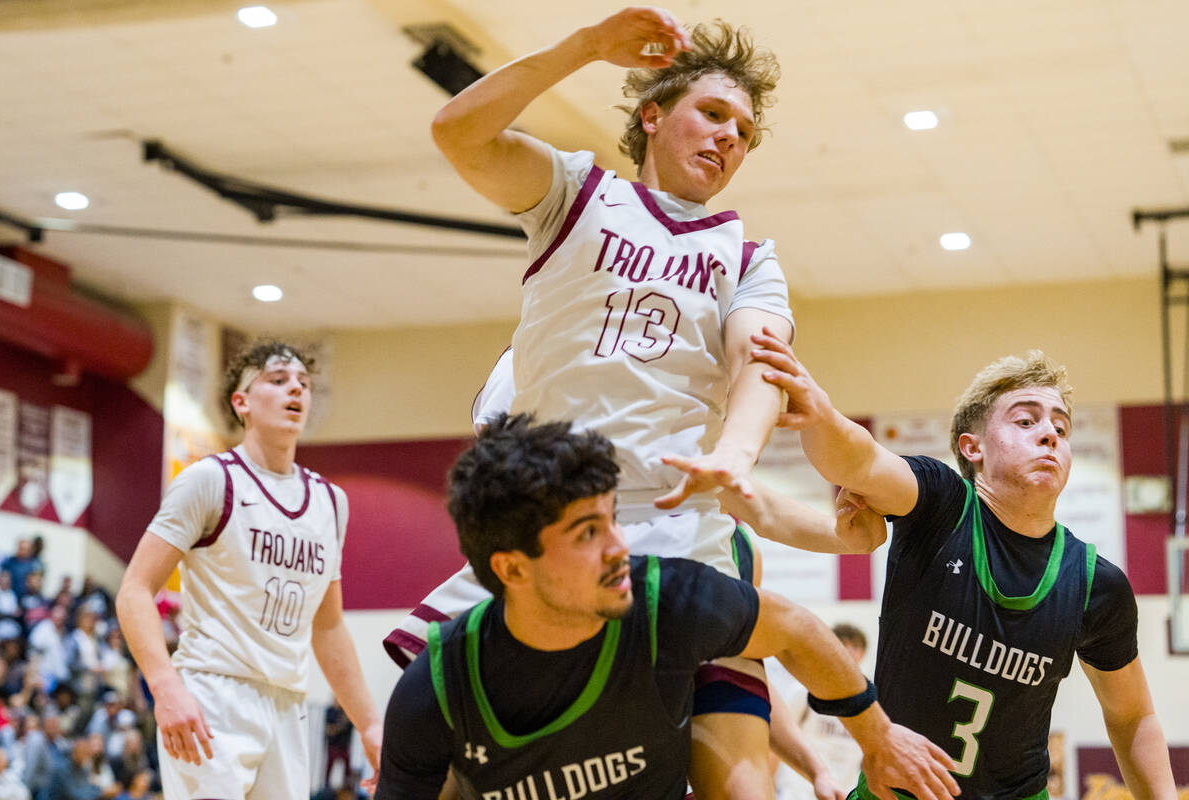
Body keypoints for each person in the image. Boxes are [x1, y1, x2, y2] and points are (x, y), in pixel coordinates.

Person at [389, 9, 851, 795]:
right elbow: (457, 132)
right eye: (712, 112)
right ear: (652, 114)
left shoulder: (746, 256)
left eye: (744, 130)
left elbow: (760, 363)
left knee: (741, 783)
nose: (729, 136)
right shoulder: (576, 194)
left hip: (678, 522)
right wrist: (586, 49)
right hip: (559, 527)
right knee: (462, 761)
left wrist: (733, 459)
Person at [677, 334, 1177, 800]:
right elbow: (858, 459)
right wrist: (821, 417)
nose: (1049, 433)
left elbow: (1132, 717)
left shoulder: (1097, 584)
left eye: (1061, 427)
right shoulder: (942, 504)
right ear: (971, 447)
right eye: (1026, 420)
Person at [376, 414, 957, 800]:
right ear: (511, 568)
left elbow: (797, 631)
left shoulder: (666, 597)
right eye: (587, 533)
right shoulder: (440, 685)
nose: (620, 545)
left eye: (611, 519)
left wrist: (876, 737)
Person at [115, 339, 382, 800]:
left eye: (303, 383)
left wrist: (370, 722)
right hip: (212, 695)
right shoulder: (209, 480)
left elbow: (329, 626)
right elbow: (135, 590)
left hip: (288, 703)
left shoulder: (330, 502)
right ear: (242, 402)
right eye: (277, 381)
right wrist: (165, 688)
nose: (294, 390)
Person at [767, 624, 868, 800]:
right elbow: (779, 738)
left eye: (855, 646)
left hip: (844, 792)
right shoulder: (803, 690)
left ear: (863, 654)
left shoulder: (870, 701)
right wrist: (768, 787)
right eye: (843, 644)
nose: (849, 651)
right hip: (798, 792)